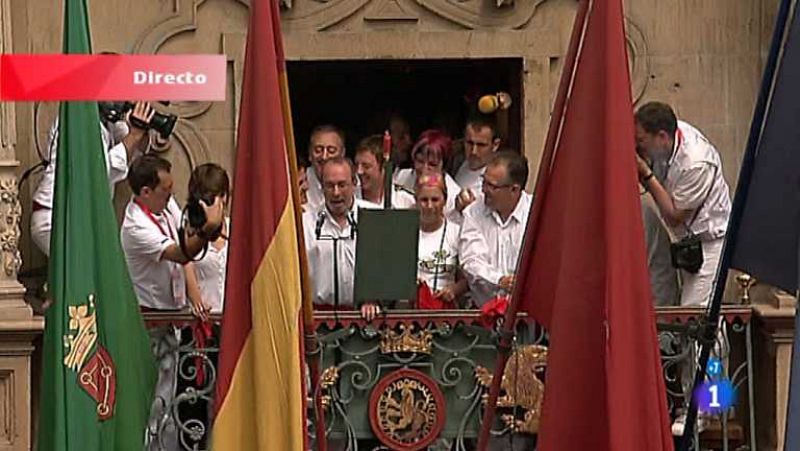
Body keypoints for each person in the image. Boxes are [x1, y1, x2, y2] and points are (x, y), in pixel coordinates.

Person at [119, 154, 223, 450]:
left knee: (170, 405)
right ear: (145, 193)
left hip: (172, 321)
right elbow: (180, 253)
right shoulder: (136, 226)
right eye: (165, 190)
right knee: (154, 406)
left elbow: (186, 233)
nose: (171, 195)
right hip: (150, 324)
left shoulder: (164, 208)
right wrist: (209, 228)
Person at [634, 101, 731, 306]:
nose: (638, 146)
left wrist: (645, 174)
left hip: (709, 244)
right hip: (687, 242)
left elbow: (674, 216)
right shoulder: (668, 140)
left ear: (661, 137)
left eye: (641, 140)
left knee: (695, 314)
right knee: (701, 316)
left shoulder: (696, 163)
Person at [30, 101, 154, 255]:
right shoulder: (79, 122)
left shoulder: (105, 122)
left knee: (82, 274)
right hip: (56, 216)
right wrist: (135, 134)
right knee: (84, 272)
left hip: (74, 215)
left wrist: (141, 126)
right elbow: (101, 172)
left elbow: (133, 149)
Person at [302, 157, 380, 310]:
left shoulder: (376, 217)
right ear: (321, 187)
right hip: (319, 316)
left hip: (364, 315)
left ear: (354, 183)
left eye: (342, 185)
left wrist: (374, 298)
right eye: (330, 186)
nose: (336, 193)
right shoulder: (307, 224)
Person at [459, 150, 531, 306]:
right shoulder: (472, 213)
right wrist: (499, 280)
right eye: (483, 182)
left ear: (514, 189)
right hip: (484, 313)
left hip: (528, 314)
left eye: (492, 186)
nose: (484, 190)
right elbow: (471, 260)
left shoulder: (536, 212)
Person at [415, 173, 468, 307]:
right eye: (424, 200)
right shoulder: (404, 231)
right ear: (416, 200)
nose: (429, 205)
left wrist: (453, 290)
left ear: (444, 200)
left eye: (435, 199)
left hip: (444, 308)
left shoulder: (457, 233)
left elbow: (467, 279)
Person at [188, 163, 230, 314]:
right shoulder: (187, 233)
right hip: (202, 323)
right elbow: (185, 264)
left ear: (224, 197)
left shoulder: (236, 230)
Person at [393, 130, 462, 218]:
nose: (424, 169)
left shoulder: (453, 195)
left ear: (444, 167)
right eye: (420, 161)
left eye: (432, 164)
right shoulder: (402, 176)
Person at [454, 116, 501, 213]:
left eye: (481, 145)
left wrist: (470, 210)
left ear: (495, 145)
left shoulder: (499, 177)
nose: (474, 151)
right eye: (470, 143)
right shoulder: (460, 163)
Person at [354, 135, 415, 208]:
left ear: (385, 167)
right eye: (357, 165)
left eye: (366, 166)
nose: (359, 171)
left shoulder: (406, 202)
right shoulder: (350, 198)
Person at [305, 125, 346, 212]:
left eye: (331, 150)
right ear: (309, 154)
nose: (324, 157)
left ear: (342, 154)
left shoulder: (353, 182)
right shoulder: (299, 184)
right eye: (318, 150)